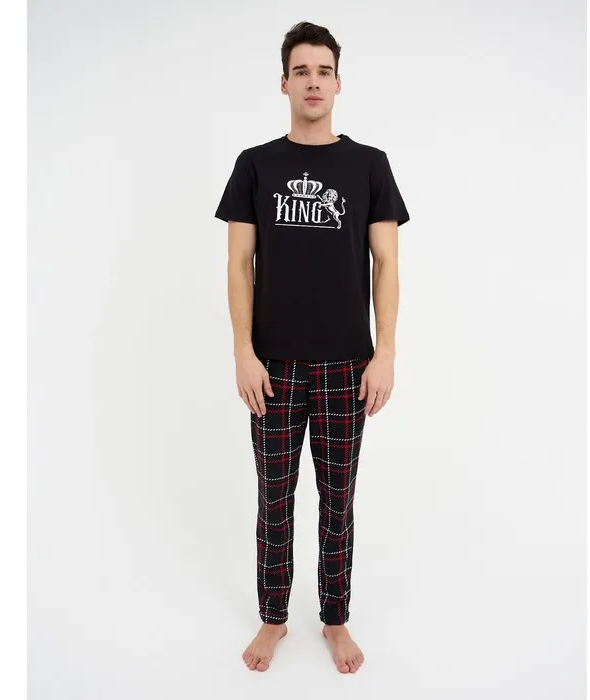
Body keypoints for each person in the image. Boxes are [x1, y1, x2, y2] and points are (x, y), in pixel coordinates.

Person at [214, 21, 410, 675]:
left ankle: (334, 618)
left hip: (348, 366)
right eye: (301, 71)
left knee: (337, 501)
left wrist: (385, 354)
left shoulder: (369, 165)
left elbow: (387, 264)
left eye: (323, 71)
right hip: (271, 366)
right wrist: (243, 352)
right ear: (284, 83)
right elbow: (238, 264)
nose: (313, 82)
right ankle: (274, 617)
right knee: (274, 499)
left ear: (338, 82)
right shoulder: (255, 164)